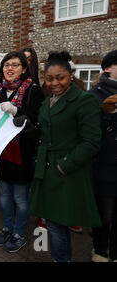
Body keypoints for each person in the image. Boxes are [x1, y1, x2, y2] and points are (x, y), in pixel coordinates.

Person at [29, 51, 102, 262]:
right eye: (49, 78)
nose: (54, 83)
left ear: (71, 75)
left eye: (60, 77)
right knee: (52, 221)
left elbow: (91, 142)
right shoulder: (47, 102)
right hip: (47, 169)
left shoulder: (84, 100)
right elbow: (43, 134)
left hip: (67, 172)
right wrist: (23, 124)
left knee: (57, 222)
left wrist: (64, 166)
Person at [0, 51, 45, 252]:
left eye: (15, 65)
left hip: (22, 153)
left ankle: (19, 233)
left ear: (23, 69)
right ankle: (8, 227)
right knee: (5, 195)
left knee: (21, 198)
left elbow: (36, 121)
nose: (10, 68)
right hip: (1, 152)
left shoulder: (33, 90)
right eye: (7, 64)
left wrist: (18, 112)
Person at [88, 49, 117, 262]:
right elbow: (90, 135)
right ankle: (100, 251)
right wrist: (110, 116)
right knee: (105, 215)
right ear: (108, 68)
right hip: (105, 166)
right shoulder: (95, 95)